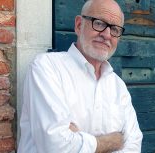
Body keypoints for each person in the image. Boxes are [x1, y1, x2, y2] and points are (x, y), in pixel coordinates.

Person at [18, 0, 143, 152]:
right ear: (78, 25)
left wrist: (78, 141)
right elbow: (56, 146)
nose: (106, 34)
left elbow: (133, 146)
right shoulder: (47, 68)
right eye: (99, 23)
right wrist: (113, 142)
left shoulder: (118, 86)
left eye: (115, 29)